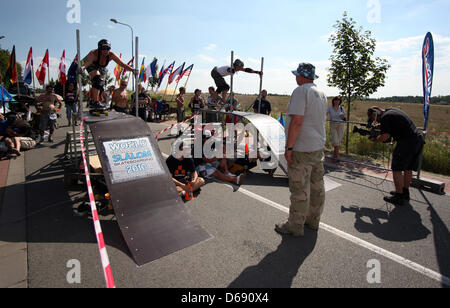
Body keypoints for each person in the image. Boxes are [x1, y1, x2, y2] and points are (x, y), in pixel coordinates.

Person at [275, 63, 327, 237]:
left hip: (302, 148)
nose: (295, 77)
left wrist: (289, 147)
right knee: (317, 187)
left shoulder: (301, 91)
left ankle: (295, 226)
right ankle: (313, 221)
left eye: (297, 75)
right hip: (317, 147)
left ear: (302, 76)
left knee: (300, 189)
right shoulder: (321, 93)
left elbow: (297, 121)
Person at [367, 107, 425, 206]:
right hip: (417, 140)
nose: (375, 121)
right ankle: (404, 192)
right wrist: (380, 127)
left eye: (373, 119)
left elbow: (385, 137)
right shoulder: (391, 111)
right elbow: (395, 125)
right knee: (408, 168)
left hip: (406, 142)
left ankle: (398, 196)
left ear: (375, 114)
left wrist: (375, 139)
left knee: (397, 169)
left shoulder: (385, 118)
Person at [81, 39, 135, 108]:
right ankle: (94, 101)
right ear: (99, 49)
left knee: (101, 84)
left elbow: (122, 64)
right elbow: (87, 62)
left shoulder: (111, 55)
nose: (106, 51)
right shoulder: (94, 53)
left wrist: (132, 70)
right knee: (97, 80)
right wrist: (82, 68)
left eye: (108, 48)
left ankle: (95, 99)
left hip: (102, 68)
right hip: (92, 65)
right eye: (104, 49)